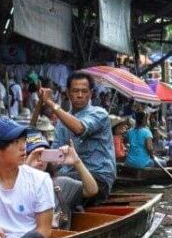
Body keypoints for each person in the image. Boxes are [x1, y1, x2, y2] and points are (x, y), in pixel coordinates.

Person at [39, 71, 115, 205]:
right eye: (75, 91)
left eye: (84, 91)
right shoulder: (62, 122)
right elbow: (54, 156)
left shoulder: (100, 113)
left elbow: (79, 128)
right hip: (69, 176)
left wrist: (50, 103)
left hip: (97, 178)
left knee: (57, 188)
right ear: (68, 93)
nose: (80, 95)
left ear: (91, 93)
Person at [25, 131, 98, 230]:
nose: (39, 159)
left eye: (43, 154)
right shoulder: (14, 185)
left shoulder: (61, 184)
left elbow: (91, 190)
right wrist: (26, 169)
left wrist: (77, 162)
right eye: (33, 154)